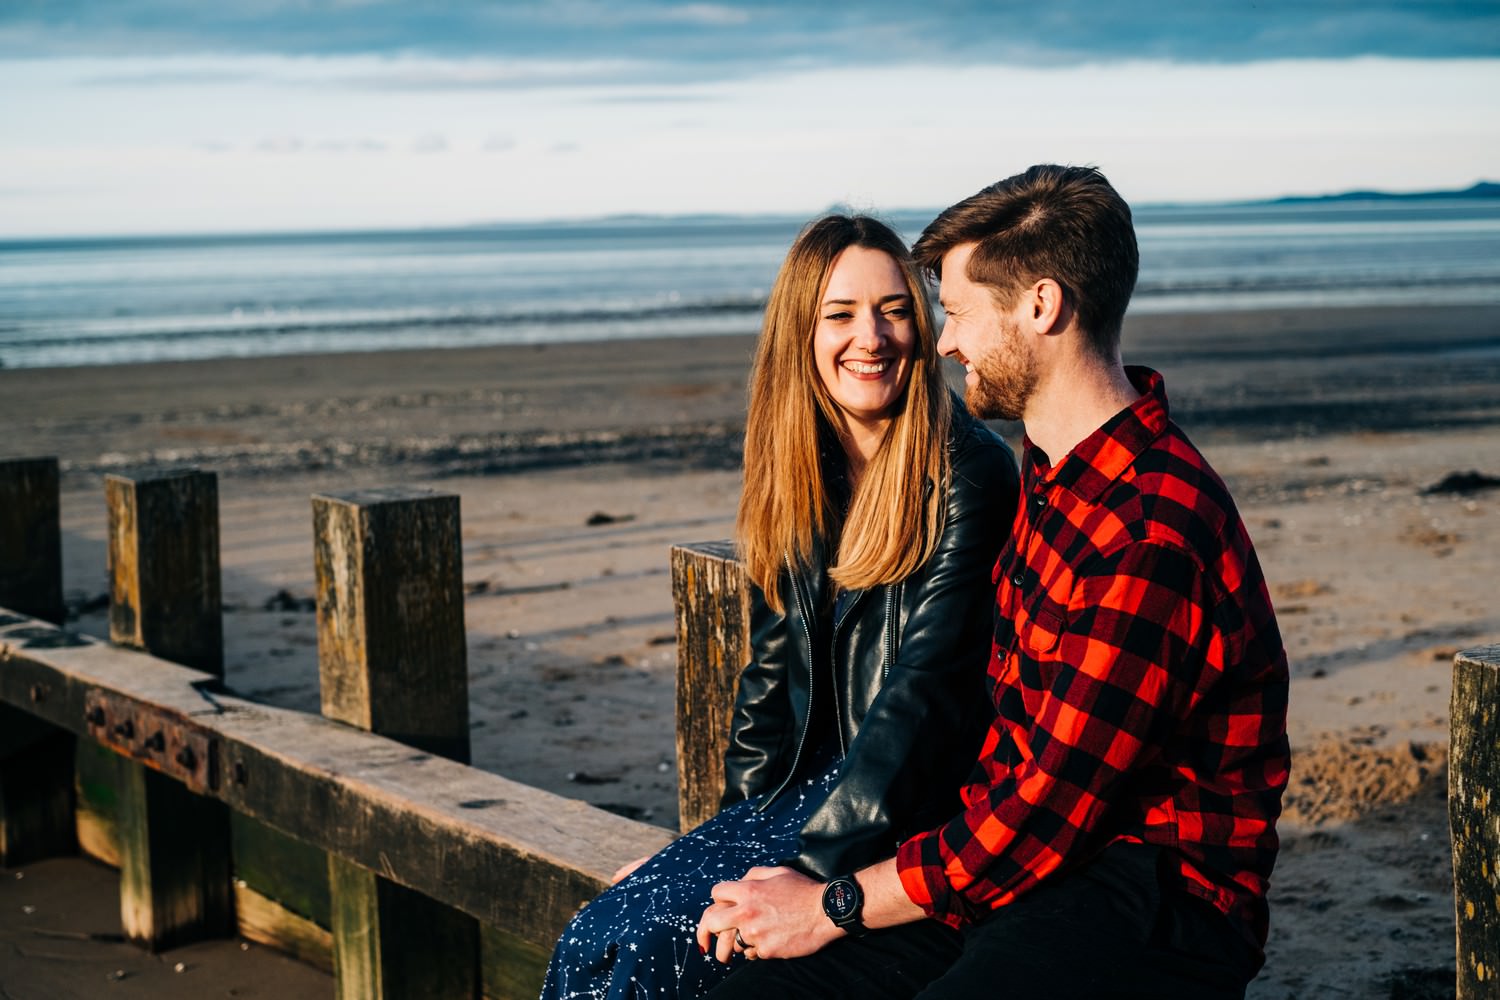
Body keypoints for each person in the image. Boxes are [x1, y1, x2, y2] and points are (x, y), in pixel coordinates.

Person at [696, 166, 1291, 1000]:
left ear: (1040, 306)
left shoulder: (1147, 530)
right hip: (1005, 866)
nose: (943, 344)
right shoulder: (1051, 478)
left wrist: (832, 904)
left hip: (1150, 893)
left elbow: (1047, 806)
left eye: (961, 313)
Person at [538, 214, 1020, 1000]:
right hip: (797, 800)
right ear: (802, 331)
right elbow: (766, 691)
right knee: (599, 934)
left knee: (659, 951)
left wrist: (798, 877)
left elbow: (922, 702)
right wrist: (713, 850)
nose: (872, 337)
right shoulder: (802, 468)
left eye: (895, 310)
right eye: (841, 314)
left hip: (899, 813)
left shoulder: (970, 476)